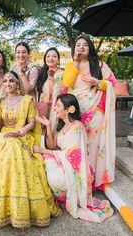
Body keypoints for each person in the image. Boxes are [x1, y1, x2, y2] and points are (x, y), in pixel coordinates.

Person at [0, 71, 61, 228]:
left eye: (11, 80)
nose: (7, 84)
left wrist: (19, 132)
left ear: (18, 84)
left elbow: (32, 122)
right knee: (6, 152)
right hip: (5, 136)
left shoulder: (27, 100)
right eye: (5, 81)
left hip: (22, 136)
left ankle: (21, 209)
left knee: (13, 149)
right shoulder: (1, 101)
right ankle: (1, 208)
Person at [34, 94, 114, 223]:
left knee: (45, 155)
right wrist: (48, 126)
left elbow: (73, 157)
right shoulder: (63, 126)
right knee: (45, 156)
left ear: (68, 109)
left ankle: (62, 191)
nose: (54, 108)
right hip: (64, 165)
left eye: (58, 105)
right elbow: (53, 145)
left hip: (73, 172)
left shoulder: (77, 127)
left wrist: (44, 150)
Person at [62, 35, 117, 188]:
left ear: (90, 48)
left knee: (93, 145)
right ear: (74, 49)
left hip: (95, 113)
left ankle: (94, 179)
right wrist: (76, 62)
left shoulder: (99, 64)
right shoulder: (71, 65)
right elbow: (66, 84)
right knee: (79, 144)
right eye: (78, 45)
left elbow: (113, 84)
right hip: (77, 111)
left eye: (85, 45)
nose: (81, 47)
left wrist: (98, 82)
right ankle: (81, 178)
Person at [36, 47, 63, 132]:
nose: (50, 58)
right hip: (43, 108)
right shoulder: (43, 73)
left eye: (54, 56)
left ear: (58, 60)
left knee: (52, 130)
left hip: (55, 107)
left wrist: (52, 79)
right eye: (48, 56)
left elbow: (61, 91)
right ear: (45, 59)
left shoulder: (62, 74)